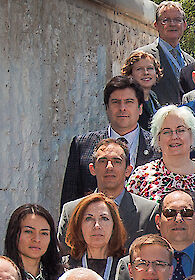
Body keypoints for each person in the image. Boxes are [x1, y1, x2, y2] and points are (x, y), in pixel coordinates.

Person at [62, 76, 161, 205]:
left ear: (140, 108)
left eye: (129, 102)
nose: (122, 108)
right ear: (107, 108)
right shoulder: (83, 144)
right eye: (115, 102)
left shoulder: (157, 146)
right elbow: (70, 198)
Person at [61, 183, 142, 280]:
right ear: (79, 226)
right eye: (89, 219)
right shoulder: (64, 267)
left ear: (114, 226)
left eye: (104, 218)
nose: (97, 225)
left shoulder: (128, 268)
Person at [129, 106, 195, 202]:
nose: (174, 136)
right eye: (167, 132)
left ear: (192, 134)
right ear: (158, 138)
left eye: (181, 130)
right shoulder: (141, 176)